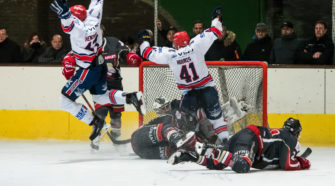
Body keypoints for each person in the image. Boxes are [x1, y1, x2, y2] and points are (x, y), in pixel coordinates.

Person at [50, 0, 145, 149]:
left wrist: (65, 15)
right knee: (101, 97)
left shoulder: (78, 30)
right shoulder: (94, 18)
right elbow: (96, 3)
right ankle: (130, 96)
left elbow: (68, 25)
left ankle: (95, 123)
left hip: (87, 70)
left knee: (65, 101)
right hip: (100, 66)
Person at [138, 7, 229, 145]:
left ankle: (196, 143)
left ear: (175, 44)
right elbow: (216, 31)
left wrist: (144, 39)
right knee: (217, 117)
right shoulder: (197, 45)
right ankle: (225, 140)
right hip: (207, 90)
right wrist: (216, 17)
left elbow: (146, 53)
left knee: (188, 123)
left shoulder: (170, 54)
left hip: (189, 96)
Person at [169, 118, 311, 173]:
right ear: (296, 132)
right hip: (251, 137)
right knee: (242, 165)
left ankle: (189, 156)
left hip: (244, 136)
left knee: (217, 164)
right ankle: (206, 149)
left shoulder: (280, 136)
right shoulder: (290, 139)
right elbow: (287, 164)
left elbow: (277, 161)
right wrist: (302, 162)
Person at [94, 24, 142, 139]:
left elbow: (125, 50)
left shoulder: (113, 42)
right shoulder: (88, 46)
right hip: (99, 86)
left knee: (116, 115)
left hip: (115, 84)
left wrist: (130, 56)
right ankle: (95, 138)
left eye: (98, 29)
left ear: (103, 31)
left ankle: (116, 138)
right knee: (99, 114)